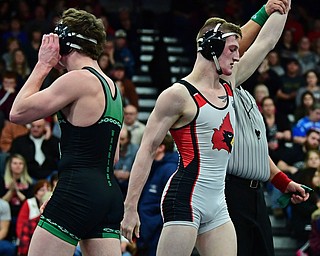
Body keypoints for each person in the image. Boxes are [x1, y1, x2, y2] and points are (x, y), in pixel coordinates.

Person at [121, 2, 302, 255]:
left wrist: (282, 4)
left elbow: (266, 42)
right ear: (211, 48)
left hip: (218, 205)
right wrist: (130, 208)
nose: (238, 56)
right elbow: (147, 150)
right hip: (185, 200)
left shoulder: (228, 85)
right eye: (232, 49)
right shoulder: (178, 95)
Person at [9, 8, 124, 256]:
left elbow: (17, 113)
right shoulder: (112, 88)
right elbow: (112, 158)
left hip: (79, 190)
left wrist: (42, 64)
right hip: (108, 195)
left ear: (63, 43)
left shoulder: (78, 80)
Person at [137, 134, 179, 256]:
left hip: (157, 232)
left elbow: (170, 204)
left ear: (161, 147)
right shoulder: (153, 166)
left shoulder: (170, 169)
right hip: (146, 232)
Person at [16, 179, 50, 256]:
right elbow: (20, 227)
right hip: (28, 240)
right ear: (35, 193)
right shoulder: (29, 203)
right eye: (42, 190)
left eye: (48, 190)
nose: (45, 193)